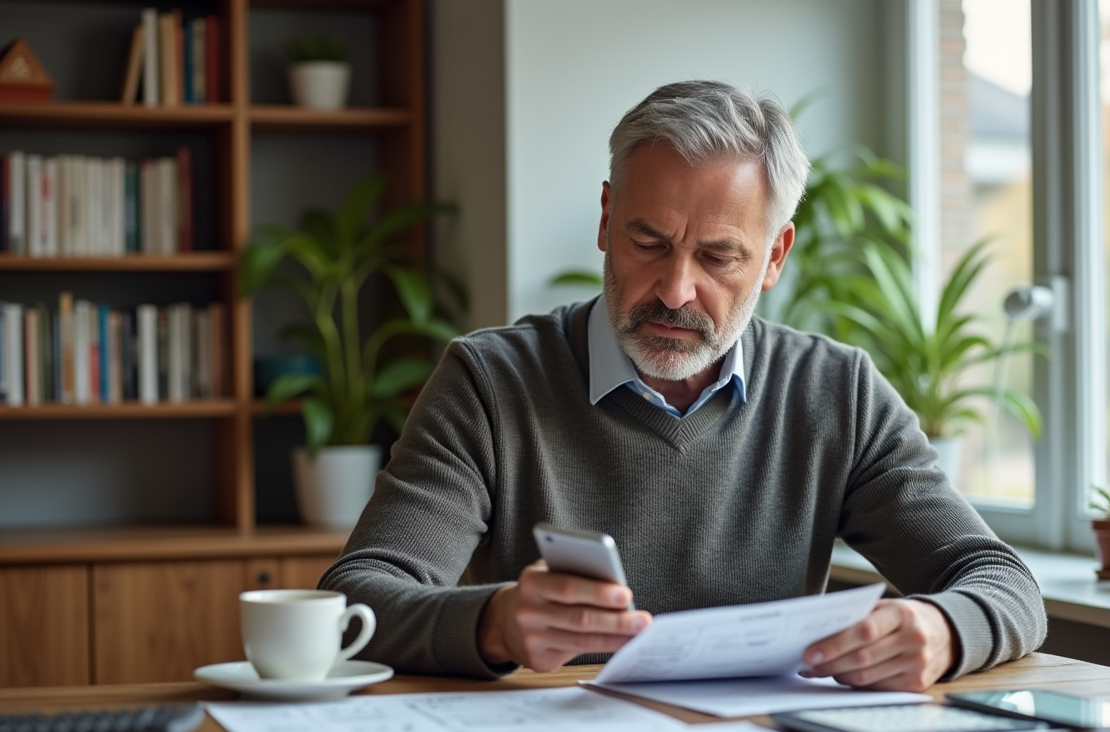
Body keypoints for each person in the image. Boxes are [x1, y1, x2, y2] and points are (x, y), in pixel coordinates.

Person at [320, 80, 1046, 691]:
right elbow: (355, 596)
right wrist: (496, 622)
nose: (674, 290)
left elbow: (1000, 580)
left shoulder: (837, 394)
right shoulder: (491, 383)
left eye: (719, 257)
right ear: (607, 220)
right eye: (649, 243)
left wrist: (944, 629)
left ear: (774, 257)